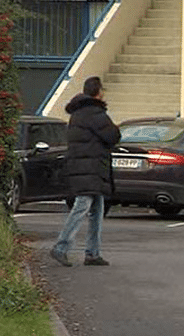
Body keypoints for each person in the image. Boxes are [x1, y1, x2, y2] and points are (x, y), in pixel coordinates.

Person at [50, 76, 121, 267]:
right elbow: (113, 136)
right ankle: (61, 247)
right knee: (82, 206)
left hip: (82, 167)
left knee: (97, 208)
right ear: (98, 92)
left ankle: (93, 253)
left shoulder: (77, 114)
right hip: (91, 168)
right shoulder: (95, 113)